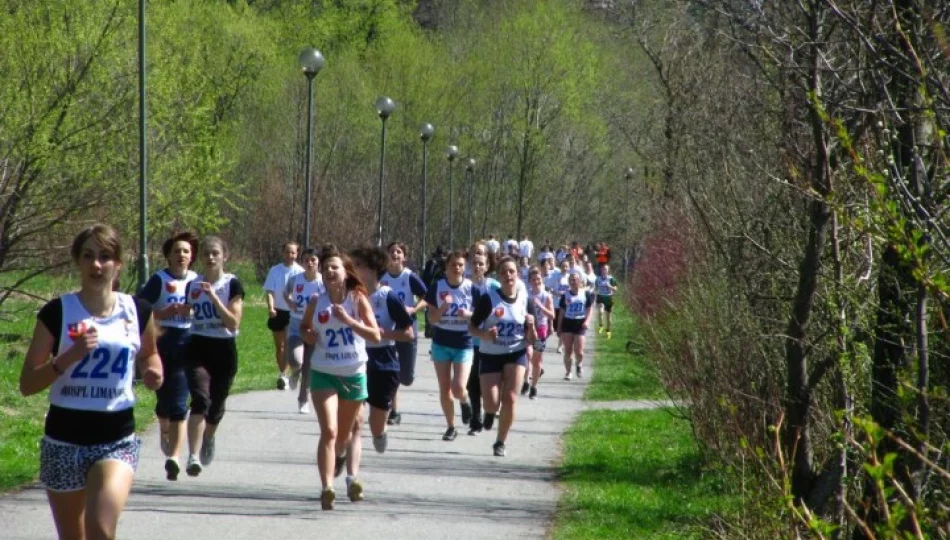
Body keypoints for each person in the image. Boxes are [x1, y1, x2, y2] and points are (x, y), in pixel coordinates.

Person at [19, 224, 163, 539]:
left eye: (105, 257)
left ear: (118, 264)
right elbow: (27, 383)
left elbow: (150, 355)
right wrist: (68, 357)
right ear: (78, 262)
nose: (97, 265)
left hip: (116, 439)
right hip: (64, 439)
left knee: (101, 528)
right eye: (88, 256)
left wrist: (154, 372)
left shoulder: (137, 311)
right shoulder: (57, 312)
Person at [299, 244, 380, 510]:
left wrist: (349, 321)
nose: (329, 271)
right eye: (325, 269)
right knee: (330, 431)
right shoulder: (316, 301)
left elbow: (375, 335)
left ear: (345, 272)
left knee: (345, 435)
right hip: (323, 372)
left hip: (354, 373)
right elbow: (305, 328)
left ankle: (345, 466)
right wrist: (307, 335)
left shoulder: (357, 299)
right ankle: (327, 488)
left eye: (334, 267)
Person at [136, 231, 198, 480]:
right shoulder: (158, 280)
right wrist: (164, 312)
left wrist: (191, 310)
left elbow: (205, 310)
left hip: (187, 342)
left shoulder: (197, 280)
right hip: (161, 343)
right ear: (169, 256)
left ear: (191, 256)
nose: (181, 255)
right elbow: (140, 310)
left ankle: (174, 457)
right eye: (176, 251)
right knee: (163, 401)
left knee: (180, 402)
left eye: (185, 251)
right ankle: (163, 428)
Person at [183, 236, 245, 477]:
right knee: (200, 399)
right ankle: (193, 456)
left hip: (223, 349)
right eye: (206, 253)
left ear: (224, 257)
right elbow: (187, 312)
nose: (210, 258)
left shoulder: (232, 284)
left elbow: (233, 322)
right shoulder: (192, 285)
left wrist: (214, 298)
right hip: (197, 347)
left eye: (215, 254)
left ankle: (208, 436)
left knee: (216, 406)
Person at [469, 256, 537, 457]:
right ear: (498, 275)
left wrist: (531, 326)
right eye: (504, 272)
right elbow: (472, 327)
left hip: (516, 353)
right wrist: (485, 335)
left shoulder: (526, 300)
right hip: (490, 354)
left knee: (510, 399)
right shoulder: (489, 299)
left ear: (517, 274)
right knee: (491, 402)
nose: (508, 275)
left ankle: (500, 442)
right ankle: (489, 412)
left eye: (512, 271)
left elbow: (532, 339)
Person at [425, 250, 475, 441]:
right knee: (444, 389)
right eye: (453, 265)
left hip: (463, 342)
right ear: (446, 268)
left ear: (465, 267)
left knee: (458, 387)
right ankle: (451, 426)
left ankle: (464, 400)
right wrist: (443, 308)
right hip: (441, 343)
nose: (457, 268)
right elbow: (431, 318)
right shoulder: (437, 287)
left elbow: (480, 316)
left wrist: (468, 315)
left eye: (461, 265)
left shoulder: (471, 288)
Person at [381, 242, 428, 425]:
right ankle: (393, 411)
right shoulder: (381, 277)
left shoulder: (409, 277)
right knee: (392, 373)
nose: (395, 254)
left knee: (405, 378)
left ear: (404, 257)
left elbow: (428, 297)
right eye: (392, 251)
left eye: (398, 252)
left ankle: (399, 387)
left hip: (408, 330)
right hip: (388, 331)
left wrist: (414, 308)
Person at [284, 248, 324, 413]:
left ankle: (303, 400)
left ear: (318, 263)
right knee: (296, 360)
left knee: (308, 366)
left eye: (313, 260)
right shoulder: (295, 280)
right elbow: (286, 293)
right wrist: (290, 302)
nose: (309, 263)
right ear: (302, 262)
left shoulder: (322, 283)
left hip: (314, 327)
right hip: (296, 325)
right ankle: (294, 372)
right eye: (306, 260)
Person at [466, 251, 498, 435]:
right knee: (472, 383)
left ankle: (491, 411)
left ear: (487, 267)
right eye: (474, 263)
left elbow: (501, 309)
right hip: (470, 341)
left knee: (489, 383)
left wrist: (471, 315)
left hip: (490, 342)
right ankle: (475, 421)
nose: (477, 267)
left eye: (481, 264)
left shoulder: (493, 286)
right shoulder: (465, 286)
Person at [263, 242, 303, 390]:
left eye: (292, 252)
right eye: (287, 252)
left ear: (297, 254)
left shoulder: (300, 272)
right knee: (279, 346)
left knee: (288, 345)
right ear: (283, 253)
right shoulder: (275, 270)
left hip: (293, 313)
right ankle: (282, 374)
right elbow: (270, 291)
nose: (289, 255)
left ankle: (294, 373)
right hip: (277, 311)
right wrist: (271, 308)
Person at [557, 272, 594, 380]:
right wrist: (559, 328)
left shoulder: (585, 294)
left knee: (579, 352)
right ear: (569, 282)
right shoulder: (565, 296)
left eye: (576, 279)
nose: (574, 281)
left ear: (580, 281)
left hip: (580, 323)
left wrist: (587, 321)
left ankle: (579, 363)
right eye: (572, 280)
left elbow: (589, 309)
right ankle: (568, 372)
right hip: (568, 323)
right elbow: (561, 313)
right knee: (568, 350)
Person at [525, 267, 553, 399]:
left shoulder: (546, 295)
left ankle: (534, 387)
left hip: (541, 329)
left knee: (536, 360)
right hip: (527, 328)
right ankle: (529, 377)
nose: (536, 281)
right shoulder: (525, 295)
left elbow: (552, 315)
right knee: (528, 355)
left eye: (538, 279)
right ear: (529, 281)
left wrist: (541, 307)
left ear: (542, 280)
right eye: (533, 279)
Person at [547, 259, 571, 354]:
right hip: (555, 304)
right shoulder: (555, 276)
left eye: (566, 266)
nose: (565, 268)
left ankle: (559, 346)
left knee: (563, 326)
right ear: (560, 267)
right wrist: (555, 292)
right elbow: (548, 287)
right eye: (563, 266)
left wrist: (567, 294)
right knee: (554, 327)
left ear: (569, 268)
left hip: (565, 305)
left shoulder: (570, 277)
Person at [421, 247, 446, 338]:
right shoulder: (444, 261)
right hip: (440, 287)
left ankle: (428, 329)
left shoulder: (430, 261)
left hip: (429, 286)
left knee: (429, 308)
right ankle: (436, 328)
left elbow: (425, 276)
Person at [595, 264, 619, 339]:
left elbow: (616, 289)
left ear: (608, 271)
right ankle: (601, 325)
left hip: (608, 297)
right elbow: (595, 288)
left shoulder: (611, 279)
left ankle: (608, 331)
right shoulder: (598, 279)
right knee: (600, 311)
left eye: (606, 269)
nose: (604, 271)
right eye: (603, 269)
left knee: (608, 318)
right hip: (600, 296)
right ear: (601, 270)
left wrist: (609, 286)